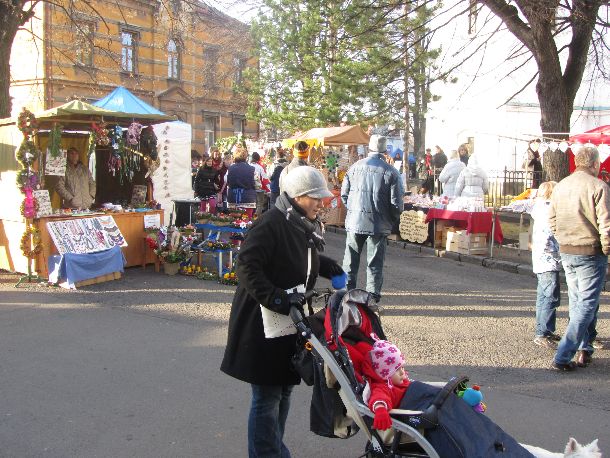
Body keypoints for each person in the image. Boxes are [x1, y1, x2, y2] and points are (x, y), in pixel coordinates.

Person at [220, 166, 345, 458]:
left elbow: (300, 256)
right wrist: (277, 299)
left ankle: (274, 449)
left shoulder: (299, 221)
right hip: (262, 322)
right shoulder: (271, 223)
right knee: (267, 396)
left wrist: (329, 268)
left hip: (289, 319)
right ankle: (266, 453)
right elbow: (246, 267)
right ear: (298, 196)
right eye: (315, 197)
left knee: (284, 390)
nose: (321, 203)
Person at [549, 146, 610, 371]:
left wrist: (562, 238)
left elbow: (552, 219)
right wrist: (607, 249)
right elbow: (606, 224)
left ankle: (584, 348)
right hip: (590, 251)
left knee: (578, 303)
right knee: (586, 305)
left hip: (568, 249)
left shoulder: (561, 186)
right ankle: (564, 354)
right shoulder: (598, 186)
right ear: (595, 164)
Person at [341, 134, 404, 302]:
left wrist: (353, 211)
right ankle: (372, 298)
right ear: (385, 151)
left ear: (369, 148)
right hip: (378, 224)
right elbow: (397, 204)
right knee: (375, 264)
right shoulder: (391, 172)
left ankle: (344, 296)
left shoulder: (354, 168)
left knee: (350, 262)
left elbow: (344, 195)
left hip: (355, 221)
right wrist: (390, 220)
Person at [529, 181, 562, 348]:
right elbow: (552, 233)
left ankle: (544, 329)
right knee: (550, 296)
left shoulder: (539, 208)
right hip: (549, 257)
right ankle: (543, 332)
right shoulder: (550, 210)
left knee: (543, 295)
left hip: (540, 256)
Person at [226, 146, 257, 217]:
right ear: (245, 156)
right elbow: (257, 184)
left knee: (234, 220)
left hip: (233, 197)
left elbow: (227, 182)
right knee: (247, 219)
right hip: (248, 198)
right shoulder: (252, 169)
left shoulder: (230, 168)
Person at [251, 152, 270, 217]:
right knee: (260, 203)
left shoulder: (248, 165)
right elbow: (265, 179)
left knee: (252, 203)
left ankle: (251, 217)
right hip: (259, 188)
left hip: (250, 188)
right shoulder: (260, 167)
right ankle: (256, 217)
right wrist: (269, 189)